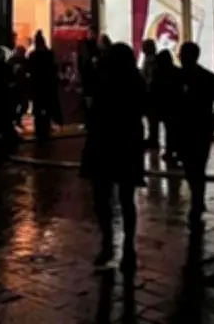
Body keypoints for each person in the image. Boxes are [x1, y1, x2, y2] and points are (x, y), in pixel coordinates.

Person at [81, 42, 145, 274]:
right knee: (126, 198)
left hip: (104, 141)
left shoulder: (104, 79)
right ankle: (126, 245)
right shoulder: (134, 80)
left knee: (103, 197)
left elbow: (93, 108)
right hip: (125, 142)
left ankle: (110, 242)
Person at [176, 42, 214, 229]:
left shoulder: (207, 78)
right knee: (190, 168)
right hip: (183, 129)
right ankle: (197, 197)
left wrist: (212, 123)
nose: (180, 57)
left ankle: (197, 201)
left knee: (197, 166)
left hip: (200, 128)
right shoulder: (178, 77)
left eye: (184, 54)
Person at [27, 31, 60, 142]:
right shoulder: (49, 55)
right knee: (47, 109)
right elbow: (54, 70)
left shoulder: (33, 56)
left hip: (37, 87)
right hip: (47, 87)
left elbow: (29, 71)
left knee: (38, 110)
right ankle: (45, 130)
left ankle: (39, 131)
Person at [140, 39, 158, 148]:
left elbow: (150, 77)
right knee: (152, 118)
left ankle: (153, 139)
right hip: (151, 92)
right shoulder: (150, 60)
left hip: (150, 93)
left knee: (152, 118)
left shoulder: (150, 61)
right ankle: (152, 138)